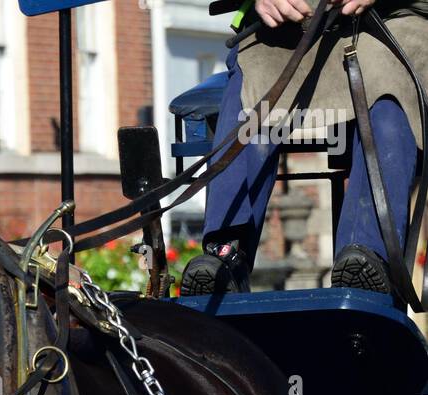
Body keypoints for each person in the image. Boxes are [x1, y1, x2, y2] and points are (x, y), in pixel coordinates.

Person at [180, 0, 428, 297]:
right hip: (295, 26)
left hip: (393, 20)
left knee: (389, 94)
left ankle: (369, 255)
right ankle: (225, 253)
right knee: (252, 95)